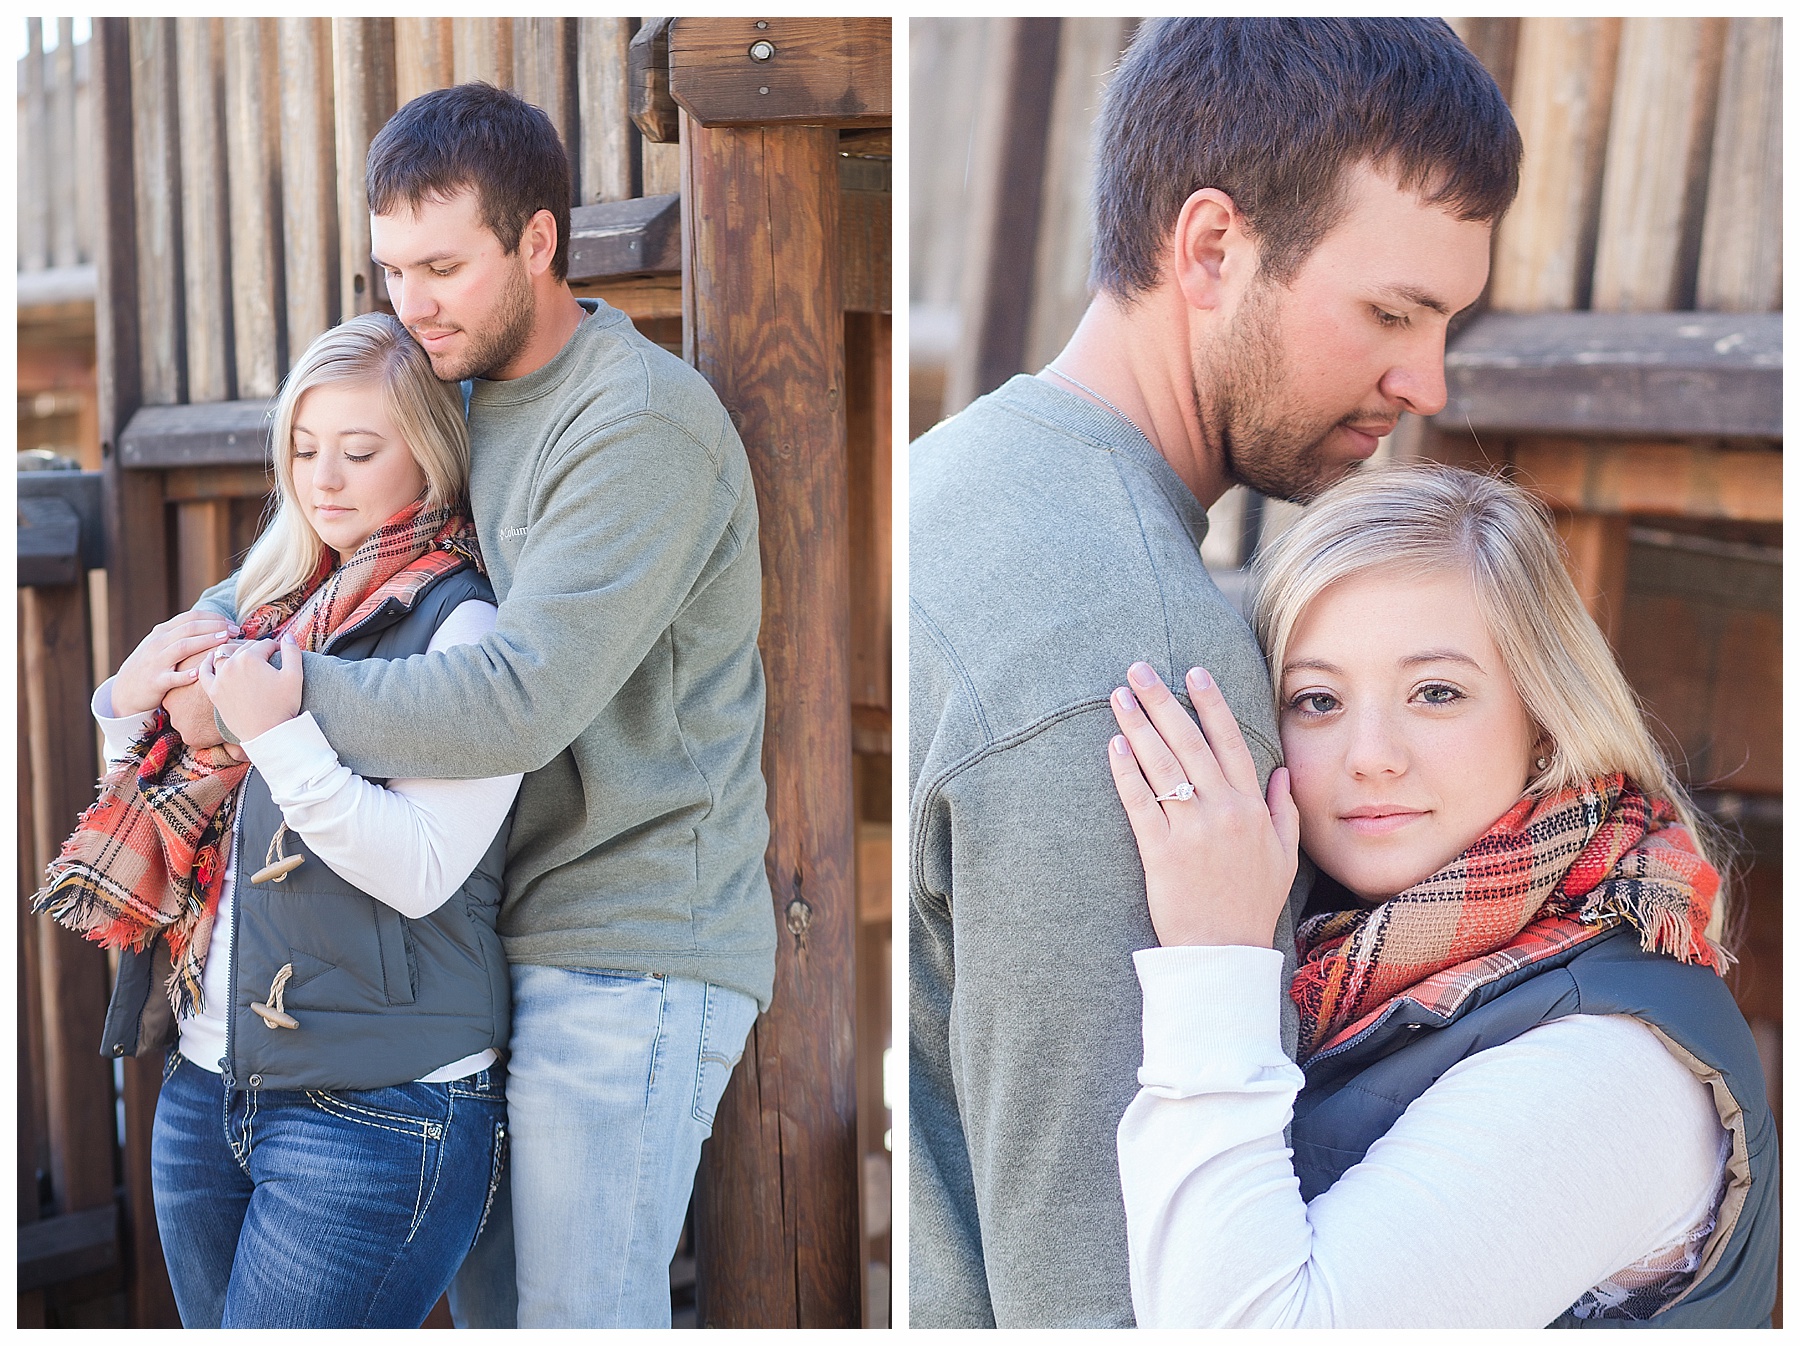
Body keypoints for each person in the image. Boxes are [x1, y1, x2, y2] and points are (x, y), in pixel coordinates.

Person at [909, 19, 1520, 1325]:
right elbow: (1116, 1294)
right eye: (1392, 312)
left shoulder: (948, 480)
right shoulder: (1139, 672)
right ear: (1210, 250)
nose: (1427, 376)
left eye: (1445, 322)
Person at [141, 83, 775, 1328]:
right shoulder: (456, 393)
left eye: (442, 266)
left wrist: (277, 698)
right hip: (481, 949)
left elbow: (517, 699)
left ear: (539, 242)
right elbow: (333, 554)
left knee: (577, 1321)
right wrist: (210, 635)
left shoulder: (634, 422)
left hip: (625, 940)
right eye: (391, 270)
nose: (410, 302)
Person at [1108, 465, 1778, 1327]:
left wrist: (1214, 960)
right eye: (1317, 699)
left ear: (1543, 721)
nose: (1372, 754)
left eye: (1436, 693)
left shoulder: (1606, 1063)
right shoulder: (1337, 955)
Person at [37, 313, 517, 1327]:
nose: (323, 478)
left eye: (358, 450)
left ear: (428, 455)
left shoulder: (463, 624)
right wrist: (126, 697)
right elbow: (169, 796)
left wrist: (287, 732)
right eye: (304, 449)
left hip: (382, 1113)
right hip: (208, 1086)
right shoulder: (268, 602)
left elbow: (424, 867)